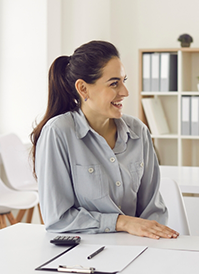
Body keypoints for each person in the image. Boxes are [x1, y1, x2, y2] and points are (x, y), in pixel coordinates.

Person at [31, 40, 178, 240]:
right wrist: (122, 222)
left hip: (138, 248)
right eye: (114, 83)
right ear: (83, 88)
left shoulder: (138, 132)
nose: (125, 92)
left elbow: (153, 210)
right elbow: (58, 218)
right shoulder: (58, 133)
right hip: (84, 253)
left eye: (124, 81)